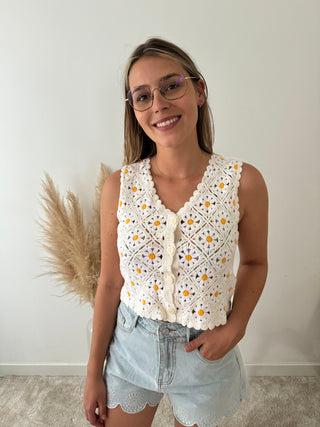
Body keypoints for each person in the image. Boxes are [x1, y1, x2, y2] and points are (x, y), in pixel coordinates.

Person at [83, 37, 268, 427]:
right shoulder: (120, 187)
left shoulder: (243, 182)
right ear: (133, 110)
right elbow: (109, 284)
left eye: (171, 86)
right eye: (143, 96)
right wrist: (92, 373)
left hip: (206, 355)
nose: (160, 105)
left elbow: (254, 262)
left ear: (198, 90)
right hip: (131, 348)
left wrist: (235, 328)